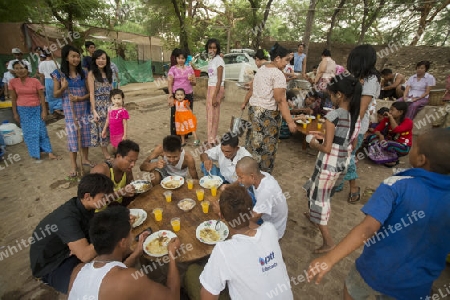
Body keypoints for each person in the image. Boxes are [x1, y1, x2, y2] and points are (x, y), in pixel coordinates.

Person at [307, 128, 450, 300]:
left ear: (421, 159)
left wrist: (330, 259)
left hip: (375, 270)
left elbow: (368, 228)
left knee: (351, 290)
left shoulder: (397, 184)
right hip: (416, 285)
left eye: (415, 146)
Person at [184, 184, 293, 299]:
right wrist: (230, 215)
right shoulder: (270, 229)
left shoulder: (223, 250)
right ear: (251, 210)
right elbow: (249, 223)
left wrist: (225, 214)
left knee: (191, 272)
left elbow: (207, 297)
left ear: (222, 216)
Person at [68, 206, 181, 300]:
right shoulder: (129, 279)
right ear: (122, 242)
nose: (132, 237)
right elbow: (173, 297)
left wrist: (136, 253)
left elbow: (109, 275)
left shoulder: (77, 270)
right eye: (130, 233)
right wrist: (171, 254)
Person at [303, 75, 361, 253]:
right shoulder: (355, 116)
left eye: (332, 95)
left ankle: (328, 241)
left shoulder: (334, 115)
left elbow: (327, 148)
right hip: (341, 163)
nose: (330, 98)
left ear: (340, 95)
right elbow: (350, 142)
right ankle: (314, 217)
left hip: (328, 164)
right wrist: (327, 138)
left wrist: (313, 142)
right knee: (316, 190)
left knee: (320, 199)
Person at [29, 173, 114, 294]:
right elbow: (85, 255)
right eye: (104, 197)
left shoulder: (83, 205)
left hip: (68, 249)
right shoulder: (67, 218)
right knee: (91, 290)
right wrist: (111, 230)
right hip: (52, 264)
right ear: (88, 196)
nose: (107, 200)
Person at [338, 44, 381, 203]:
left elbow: (361, 110)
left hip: (356, 126)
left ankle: (354, 187)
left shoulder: (371, 80)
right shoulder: (361, 77)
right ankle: (340, 183)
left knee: (348, 157)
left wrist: (352, 132)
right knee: (344, 156)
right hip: (349, 122)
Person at [245, 42, 297, 173]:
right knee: (267, 147)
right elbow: (280, 100)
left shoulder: (262, 69)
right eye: (286, 60)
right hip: (267, 115)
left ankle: (250, 171)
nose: (287, 64)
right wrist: (290, 121)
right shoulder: (277, 74)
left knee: (255, 142)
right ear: (277, 58)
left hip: (254, 111)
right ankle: (263, 176)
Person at [53, 44, 93, 177]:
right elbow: (55, 94)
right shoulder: (59, 74)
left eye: (77, 56)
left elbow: (90, 93)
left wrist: (80, 98)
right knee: (73, 137)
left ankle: (85, 159)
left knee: (86, 135)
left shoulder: (84, 73)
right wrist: (64, 87)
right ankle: (74, 165)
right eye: (73, 56)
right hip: (70, 110)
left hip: (84, 108)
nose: (76, 59)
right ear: (66, 57)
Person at [9, 62, 60, 161]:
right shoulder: (12, 82)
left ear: (27, 69)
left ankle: (49, 152)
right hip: (22, 110)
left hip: (36, 109)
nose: (20, 70)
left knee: (42, 131)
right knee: (29, 133)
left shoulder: (35, 81)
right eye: (17, 68)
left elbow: (41, 96)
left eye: (22, 68)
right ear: (14, 71)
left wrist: (44, 111)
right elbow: (13, 98)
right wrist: (15, 113)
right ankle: (36, 153)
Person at [236, 156, 288, 239]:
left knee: (237, 227)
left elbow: (254, 217)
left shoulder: (266, 191)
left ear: (252, 176)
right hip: (266, 215)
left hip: (273, 229)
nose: (239, 180)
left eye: (241, 177)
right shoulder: (261, 176)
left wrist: (235, 219)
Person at [91, 139, 138, 209]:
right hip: (100, 213)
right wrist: (120, 193)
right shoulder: (101, 171)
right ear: (118, 156)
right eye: (130, 161)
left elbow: (131, 185)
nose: (133, 165)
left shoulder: (127, 170)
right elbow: (95, 202)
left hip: (117, 206)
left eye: (135, 161)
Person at [367, 102, 412, 167]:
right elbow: (376, 130)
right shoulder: (386, 119)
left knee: (387, 144)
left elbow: (396, 129)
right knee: (371, 137)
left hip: (403, 147)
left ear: (400, 112)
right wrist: (380, 136)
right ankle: (385, 157)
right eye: (390, 109)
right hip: (388, 142)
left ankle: (391, 158)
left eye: (392, 110)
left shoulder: (408, 122)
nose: (389, 112)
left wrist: (391, 118)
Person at [88, 49, 113, 160]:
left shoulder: (109, 73)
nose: (101, 61)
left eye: (103, 58)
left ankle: (114, 146)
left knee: (112, 127)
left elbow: (112, 89)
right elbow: (92, 94)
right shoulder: (91, 74)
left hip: (110, 103)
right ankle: (105, 151)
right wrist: (94, 110)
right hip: (98, 105)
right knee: (102, 129)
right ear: (94, 60)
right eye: (98, 58)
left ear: (107, 60)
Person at [167, 49, 196, 136]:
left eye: (183, 58)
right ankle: (176, 134)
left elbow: (194, 83)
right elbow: (169, 83)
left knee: (187, 115)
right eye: (179, 58)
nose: (180, 60)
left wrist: (191, 80)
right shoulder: (172, 69)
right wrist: (171, 96)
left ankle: (186, 134)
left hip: (188, 95)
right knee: (176, 115)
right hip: (177, 96)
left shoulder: (190, 69)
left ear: (185, 59)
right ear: (176, 59)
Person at [205, 38, 225, 145]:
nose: (212, 50)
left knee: (213, 114)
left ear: (217, 49)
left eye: (214, 48)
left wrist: (215, 96)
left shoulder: (219, 60)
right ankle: (211, 137)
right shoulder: (211, 60)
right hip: (211, 87)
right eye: (210, 47)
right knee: (210, 114)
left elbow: (220, 79)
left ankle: (211, 139)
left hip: (216, 88)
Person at [39, 51, 63, 117]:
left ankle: (53, 111)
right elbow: (60, 72)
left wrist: (42, 85)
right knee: (59, 96)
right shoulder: (55, 63)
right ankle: (57, 108)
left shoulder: (41, 64)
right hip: (55, 80)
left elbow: (41, 75)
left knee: (50, 98)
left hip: (47, 81)